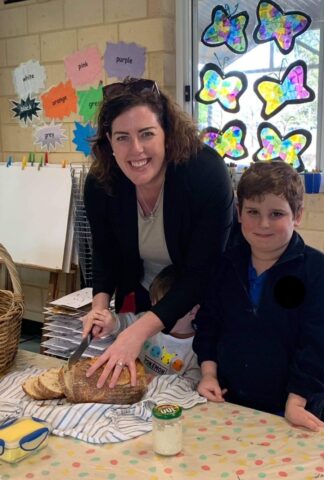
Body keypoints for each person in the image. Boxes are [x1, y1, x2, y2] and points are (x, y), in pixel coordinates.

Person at [83, 77, 235, 388]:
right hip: (143, 301)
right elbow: (105, 254)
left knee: (206, 384)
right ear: (108, 142)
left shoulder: (204, 173)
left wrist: (135, 334)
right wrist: (99, 308)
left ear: (167, 134)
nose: (135, 149)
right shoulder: (101, 184)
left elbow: (201, 274)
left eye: (147, 134)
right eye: (122, 137)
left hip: (201, 307)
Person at [193, 161, 324, 432]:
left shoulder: (320, 274)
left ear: (297, 215)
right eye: (253, 212)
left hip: (290, 411)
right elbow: (208, 327)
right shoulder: (225, 266)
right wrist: (208, 375)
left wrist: (297, 402)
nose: (263, 224)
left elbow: (317, 348)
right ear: (238, 213)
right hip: (226, 402)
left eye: (276, 214)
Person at [89, 265, 200, 387]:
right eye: (155, 308)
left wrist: (156, 382)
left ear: (193, 311)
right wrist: (111, 322)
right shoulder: (145, 321)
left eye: (165, 310)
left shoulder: (197, 349)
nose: (158, 316)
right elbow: (125, 324)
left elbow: (191, 384)